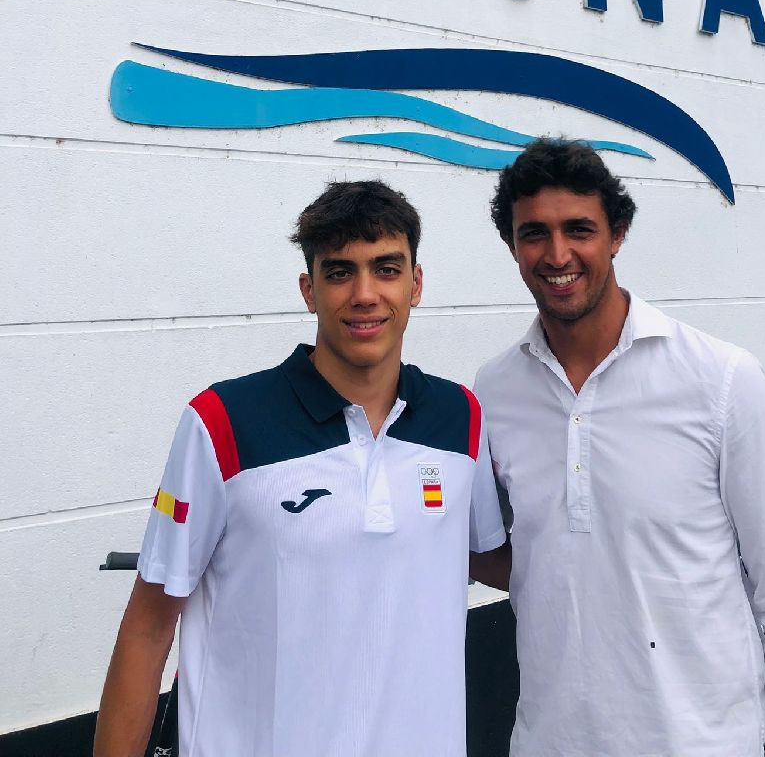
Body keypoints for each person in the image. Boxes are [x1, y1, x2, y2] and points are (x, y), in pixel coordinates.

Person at [470, 139, 765, 757]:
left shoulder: (720, 380)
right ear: (512, 246)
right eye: (534, 233)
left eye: (579, 229)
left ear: (617, 235)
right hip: (552, 740)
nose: (558, 254)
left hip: (703, 741)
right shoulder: (495, 391)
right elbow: (527, 555)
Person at [95, 180, 505, 757]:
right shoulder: (222, 420)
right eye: (339, 272)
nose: (364, 294)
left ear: (415, 285)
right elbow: (148, 627)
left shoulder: (461, 416)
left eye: (386, 269)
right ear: (309, 290)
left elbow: (492, 558)